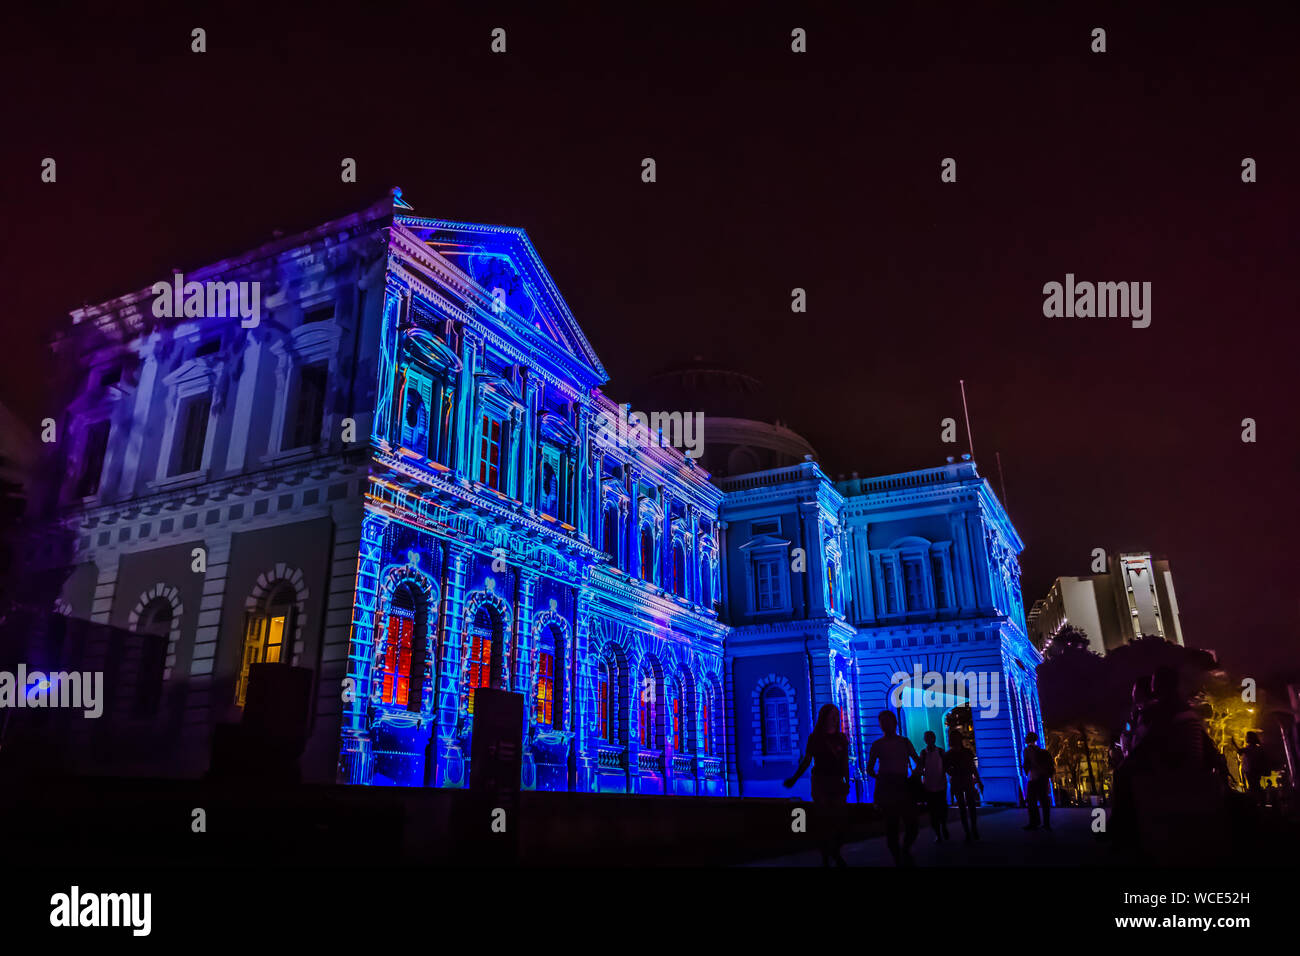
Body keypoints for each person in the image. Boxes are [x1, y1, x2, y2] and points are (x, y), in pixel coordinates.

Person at [784, 703, 851, 866]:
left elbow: (844, 762)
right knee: (824, 820)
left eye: (837, 714)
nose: (835, 717)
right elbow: (807, 760)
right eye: (832, 714)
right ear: (824, 717)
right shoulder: (815, 738)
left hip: (836, 782)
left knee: (840, 820)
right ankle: (826, 856)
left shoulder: (842, 738)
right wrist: (795, 778)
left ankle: (834, 851)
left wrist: (847, 782)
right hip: (820, 781)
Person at [866, 710, 920, 865]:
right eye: (882, 722)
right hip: (890, 785)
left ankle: (903, 851)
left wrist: (915, 774)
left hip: (899, 784)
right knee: (892, 825)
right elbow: (870, 768)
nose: (884, 725)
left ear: (894, 723)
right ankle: (899, 856)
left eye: (886, 721)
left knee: (910, 823)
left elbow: (917, 760)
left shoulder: (903, 742)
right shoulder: (879, 744)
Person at [945, 729, 982, 841]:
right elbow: (972, 767)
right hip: (965, 779)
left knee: (965, 807)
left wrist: (953, 773)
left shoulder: (950, 754)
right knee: (969, 806)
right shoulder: (966, 752)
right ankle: (972, 830)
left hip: (960, 780)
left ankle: (969, 831)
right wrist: (978, 780)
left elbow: (947, 768)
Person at [919, 730, 950, 841]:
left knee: (941, 809)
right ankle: (938, 832)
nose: (929, 740)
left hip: (940, 784)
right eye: (927, 738)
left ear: (934, 739)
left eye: (930, 737)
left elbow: (946, 766)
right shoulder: (923, 753)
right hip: (929, 786)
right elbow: (921, 767)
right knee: (933, 812)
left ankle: (943, 827)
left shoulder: (940, 752)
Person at [1021, 731, 1054, 831]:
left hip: (1033, 777)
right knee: (1044, 801)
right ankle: (1046, 824)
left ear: (1028, 740)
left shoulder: (1027, 750)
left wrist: (1027, 771)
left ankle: (1034, 822)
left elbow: (1026, 764)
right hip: (1043, 778)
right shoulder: (1040, 750)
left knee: (1031, 801)